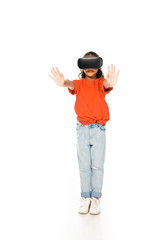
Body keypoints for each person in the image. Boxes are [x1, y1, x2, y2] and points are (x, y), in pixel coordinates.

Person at [48, 51, 120, 215]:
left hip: (99, 129)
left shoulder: (101, 83)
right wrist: (62, 82)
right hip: (82, 129)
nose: (90, 67)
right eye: (86, 64)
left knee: (97, 166)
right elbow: (68, 83)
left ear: (98, 66)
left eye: (93, 64)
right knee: (84, 166)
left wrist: (111, 81)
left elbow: (107, 83)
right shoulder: (78, 84)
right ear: (81, 67)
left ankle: (95, 199)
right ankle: (85, 197)